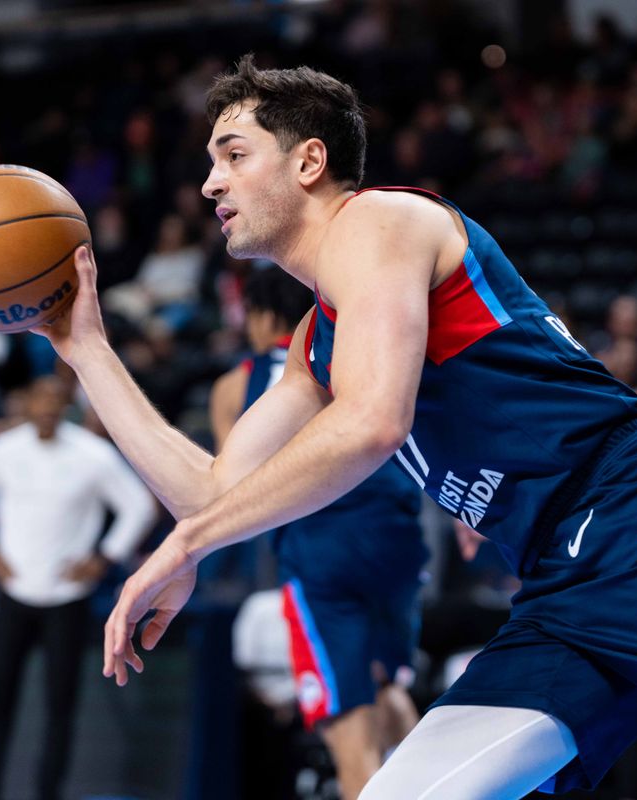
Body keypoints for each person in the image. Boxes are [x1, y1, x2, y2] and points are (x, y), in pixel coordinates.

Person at [39, 56, 637, 798]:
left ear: (308, 160)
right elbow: (212, 490)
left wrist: (184, 549)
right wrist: (85, 348)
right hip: (563, 582)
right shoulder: (319, 333)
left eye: (232, 153)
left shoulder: (384, 224)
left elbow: (375, 425)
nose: (208, 182)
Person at [209, 267, 427, 798]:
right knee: (386, 688)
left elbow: (231, 490)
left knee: (348, 734)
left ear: (261, 318)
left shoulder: (239, 383)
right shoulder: (357, 351)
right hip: (397, 540)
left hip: (321, 548)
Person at [0, 376, 155, 800]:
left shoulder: (92, 454)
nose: (46, 408)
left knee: (60, 708)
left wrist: (103, 558)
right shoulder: (3, 451)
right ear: (25, 403)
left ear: (65, 405)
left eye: (54, 401)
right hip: (14, 594)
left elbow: (138, 505)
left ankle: (49, 792)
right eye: (39, 399)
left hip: (66, 599)